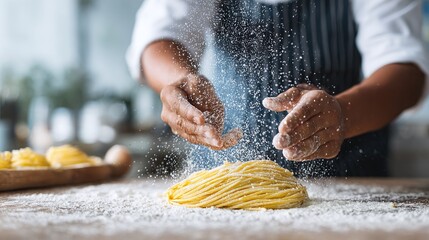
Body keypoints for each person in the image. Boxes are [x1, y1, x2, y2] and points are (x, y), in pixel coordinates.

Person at [127, 0, 429, 177]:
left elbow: (405, 70)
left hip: (352, 175)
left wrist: (341, 114)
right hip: (228, 172)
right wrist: (178, 80)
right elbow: (159, 36)